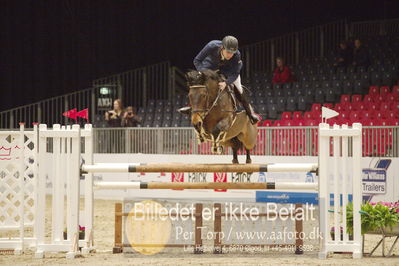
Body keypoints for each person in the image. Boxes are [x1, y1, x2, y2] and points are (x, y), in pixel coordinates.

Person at [179, 35, 260, 124]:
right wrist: (203, 72)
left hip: (228, 71)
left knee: (239, 88)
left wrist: (226, 82)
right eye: (228, 52)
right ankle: (190, 107)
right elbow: (197, 60)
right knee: (196, 82)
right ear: (222, 48)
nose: (230, 55)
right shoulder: (211, 46)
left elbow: (235, 73)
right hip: (209, 68)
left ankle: (250, 113)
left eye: (232, 52)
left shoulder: (237, 55)